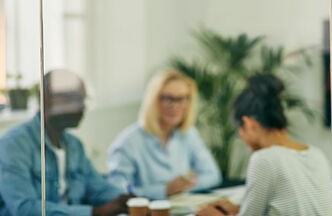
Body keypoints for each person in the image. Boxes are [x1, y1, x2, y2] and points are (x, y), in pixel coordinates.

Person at [197, 74, 332, 216]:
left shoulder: (265, 159)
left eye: (240, 132)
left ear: (249, 124)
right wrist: (240, 209)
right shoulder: (316, 154)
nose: (242, 139)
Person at [0, 69, 130, 216]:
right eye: (73, 100)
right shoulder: (13, 146)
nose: (82, 107)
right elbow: (24, 208)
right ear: (46, 101)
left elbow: (99, 189)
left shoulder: (74, 146)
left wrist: (130, 200)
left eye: (82, 99)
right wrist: (94, 212)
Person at [107, 69, 221, 200]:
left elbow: (212, 175)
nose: (174, 106)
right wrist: (163, 190)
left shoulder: (189, 134)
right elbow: (117, 191)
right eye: (167, 98)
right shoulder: (128, 142)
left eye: (181, 99)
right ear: (153, 100)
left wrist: (183, 186)